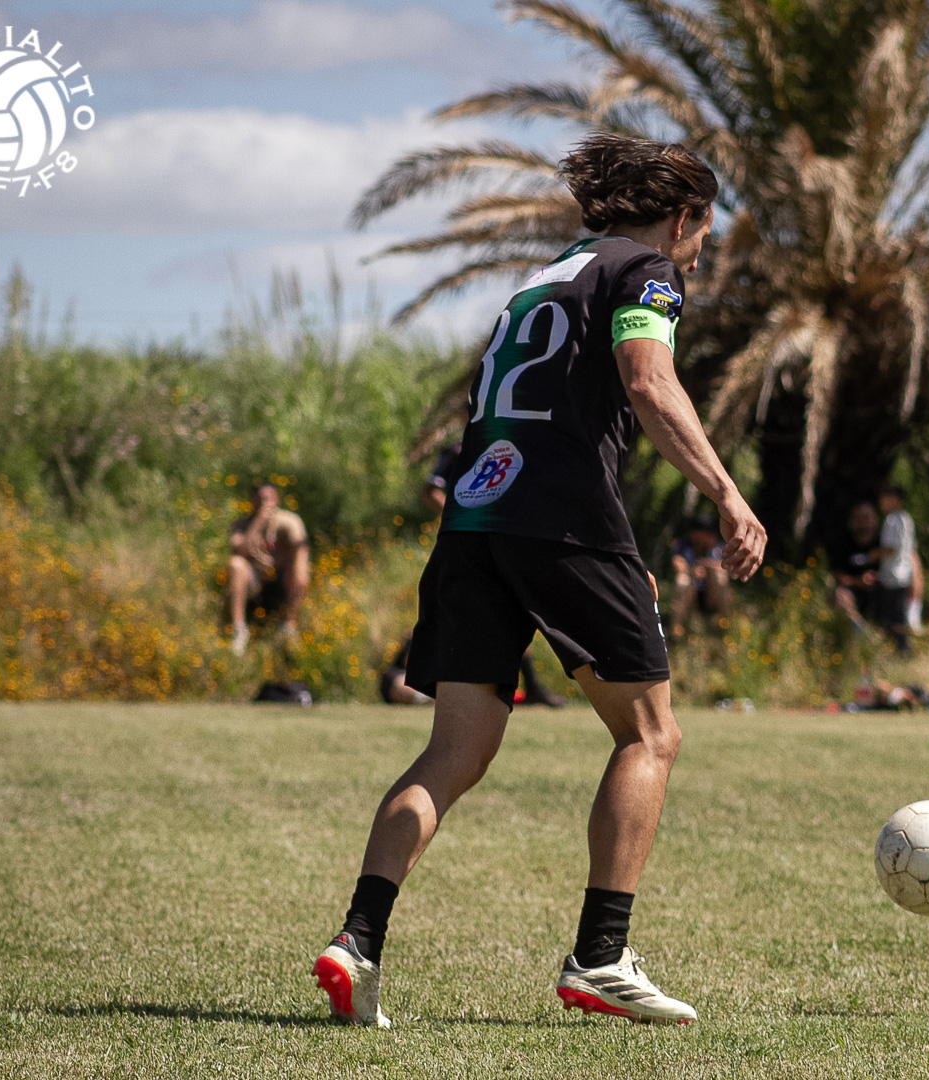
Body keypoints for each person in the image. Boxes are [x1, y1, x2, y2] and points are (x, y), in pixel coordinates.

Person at [312, 134, 766, 1029]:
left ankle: (357, 942)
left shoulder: (544, 278)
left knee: (454, 753)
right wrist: (726, 494)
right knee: (651, 734)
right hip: (558, 518)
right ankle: (601, 956)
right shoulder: (647, 272)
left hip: (475, 518)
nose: (699, 256)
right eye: (704, 236)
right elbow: (649, 382)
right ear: (683, 218)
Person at [394, 446, 565, 708]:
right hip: (468, 544)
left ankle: (529, 687)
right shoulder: (459, 450)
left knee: (515, 613)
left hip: (503, 540)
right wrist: (463, 517)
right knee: (465, 615)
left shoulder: (510, 443)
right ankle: (435, 682)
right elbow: (430, 491)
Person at [226, 482, 309, 656]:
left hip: (281, 581)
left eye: (269, 498)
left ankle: (289, 626)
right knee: (236, 564)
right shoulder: (241, 524)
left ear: (277, 499)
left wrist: (299, 573)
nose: (265, 502)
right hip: (255, 582)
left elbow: (300, 548)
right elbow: (239, 550)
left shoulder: (289, 521)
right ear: (252, 500)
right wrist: (258, 522)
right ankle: (239, 629)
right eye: (261, 498)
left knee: (300, 568)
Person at [668, 512, 729, 639]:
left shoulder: (718, 548)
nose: (712, 536)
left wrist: (705, 566)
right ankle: (675, 630)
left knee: (719, 577)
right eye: (708, 533)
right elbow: (678, 565)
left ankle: (725, 623)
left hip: (711, 595)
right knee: (682, 581)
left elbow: (725, 567)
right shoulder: (682, 546)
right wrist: (693, 571)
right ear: (696, 533)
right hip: (691, 594)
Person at [873, 486, 916, 653]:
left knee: (895, 614)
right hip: (900, 572)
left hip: (894, 573)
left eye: (884, 499)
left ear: (895, 499)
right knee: (896, 612)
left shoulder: (893, 520)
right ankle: (899, 646)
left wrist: (872, 555)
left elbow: (891, 548)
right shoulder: (905, 518)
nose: (881, 503)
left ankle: (902, 648)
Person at [829, 501, 880, 631]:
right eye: (858, 518)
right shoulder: (843, 544)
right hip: (854, 593)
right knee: (837, 593)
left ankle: (912, 616)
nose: (863, 522)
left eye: (867, 517)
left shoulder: (883, 541)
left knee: (912, 559)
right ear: (851, 522)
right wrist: (859, 581)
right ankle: (859, 630)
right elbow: (838, 577)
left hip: (883, 591)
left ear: (875, 520)